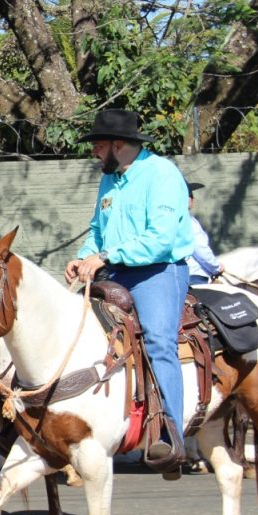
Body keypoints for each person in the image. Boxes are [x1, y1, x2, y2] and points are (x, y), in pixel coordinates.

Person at [64, 109, 194, 475]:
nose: (94, 153)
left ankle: (172, 435)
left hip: (157, 270)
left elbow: (161, 238)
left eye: (98, 146)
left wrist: (105, 256)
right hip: (117, 268)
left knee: (158, 341)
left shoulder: (162, 174)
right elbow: (97, 230)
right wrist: (82, 256)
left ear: (118, 145)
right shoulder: (110, 179)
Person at [184, 181, 224, 285]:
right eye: (190, 195)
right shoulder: (188, 221)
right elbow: (200, 249)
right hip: (193, 276)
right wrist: (216, 267)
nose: (193, 199)